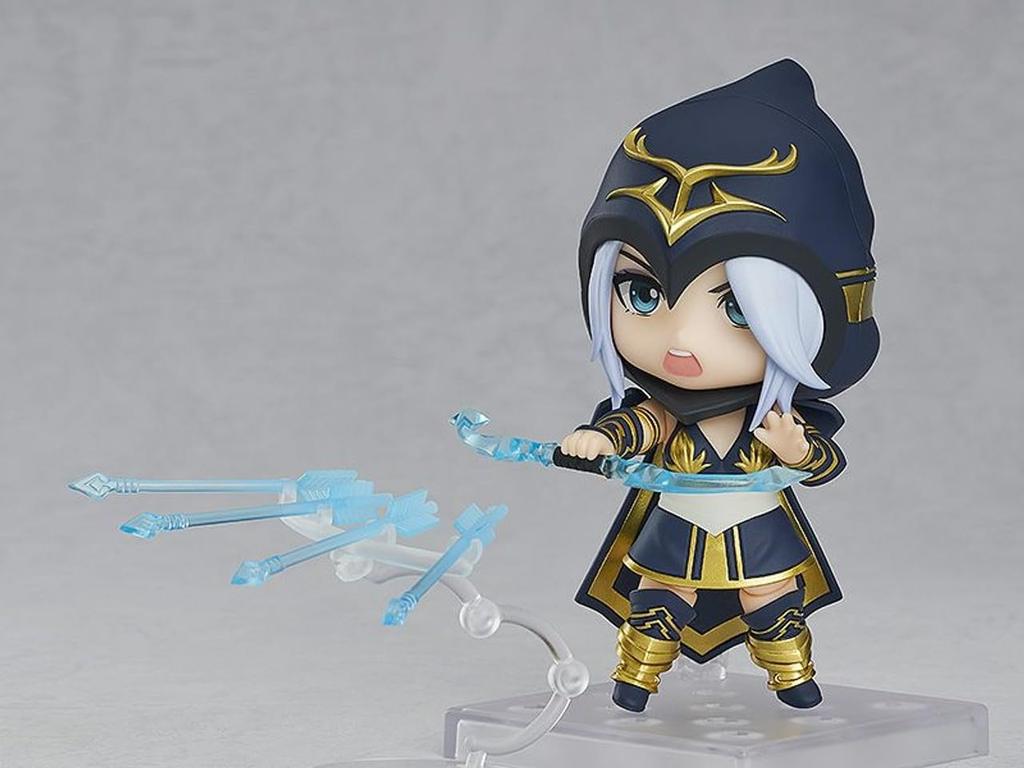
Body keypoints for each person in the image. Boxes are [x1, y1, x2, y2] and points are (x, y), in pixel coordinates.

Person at [566, 59, 879, 712]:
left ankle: (792, 677)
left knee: (772, 601)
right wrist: (601, 440)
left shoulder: (774, 413)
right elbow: (641, 422)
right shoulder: (666, 405)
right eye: (642, 293)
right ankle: (635, 678)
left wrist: (796, 449)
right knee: (658, 601)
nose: (681, 340)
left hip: (753, 519)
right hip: (679, 518)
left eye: (737, 307)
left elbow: (824, 461)